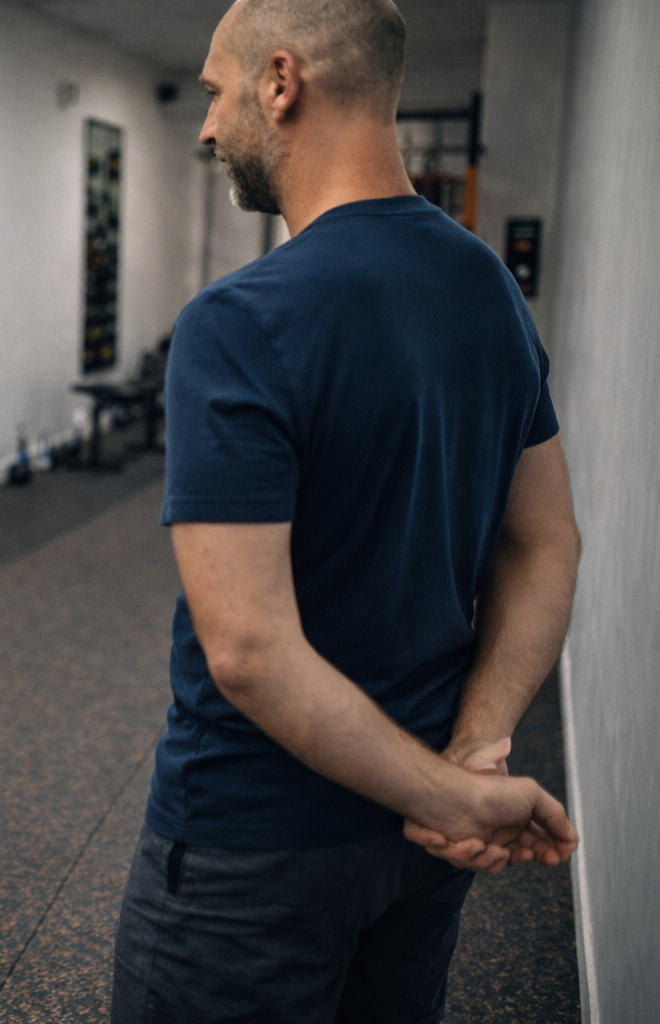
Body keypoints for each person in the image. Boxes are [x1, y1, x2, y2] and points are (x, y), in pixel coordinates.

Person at [111, 1, 582, 1020]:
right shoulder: (488, 288)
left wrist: (450, 793)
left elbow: (247, 649)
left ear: (281, 83)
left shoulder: (240, 319)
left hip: (254, 845)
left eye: (215, 91)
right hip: (421, 845)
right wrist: (476, 750)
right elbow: (548, 545)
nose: (205, 126)